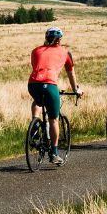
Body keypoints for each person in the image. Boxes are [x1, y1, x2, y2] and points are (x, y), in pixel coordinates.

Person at [28, 26, 82, 165]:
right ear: (60, 40)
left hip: (33, 84)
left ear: (46, 38)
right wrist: (76, 89)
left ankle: (35, 123)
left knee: (38, 101)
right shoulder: (65, 52)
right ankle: (54, 153)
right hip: (50, 85)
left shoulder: (35, 51)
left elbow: (37, 66)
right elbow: (71, 73)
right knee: (53, 120)